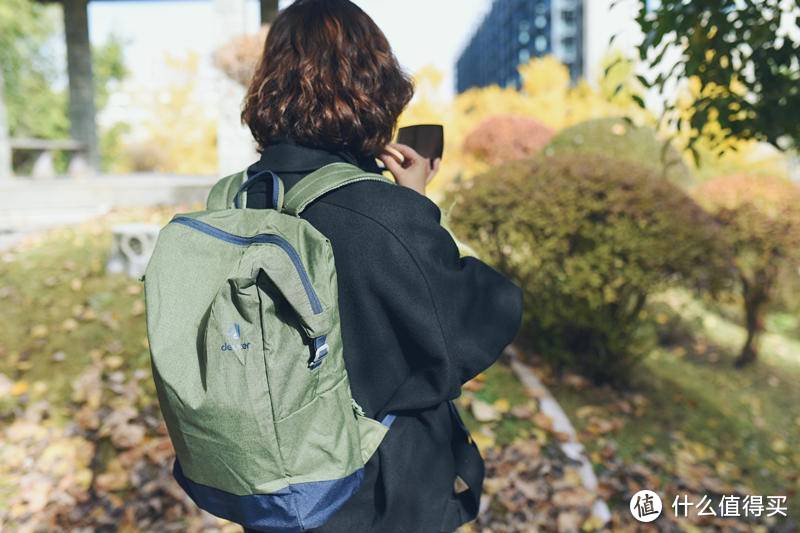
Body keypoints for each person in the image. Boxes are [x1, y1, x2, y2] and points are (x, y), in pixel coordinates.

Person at [239, 1, 523, 531]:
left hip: (272, 486)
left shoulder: (245, 196)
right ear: (373, 86)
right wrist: (415, 206)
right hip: (375, 495)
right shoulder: (378, 212)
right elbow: (470, 320)